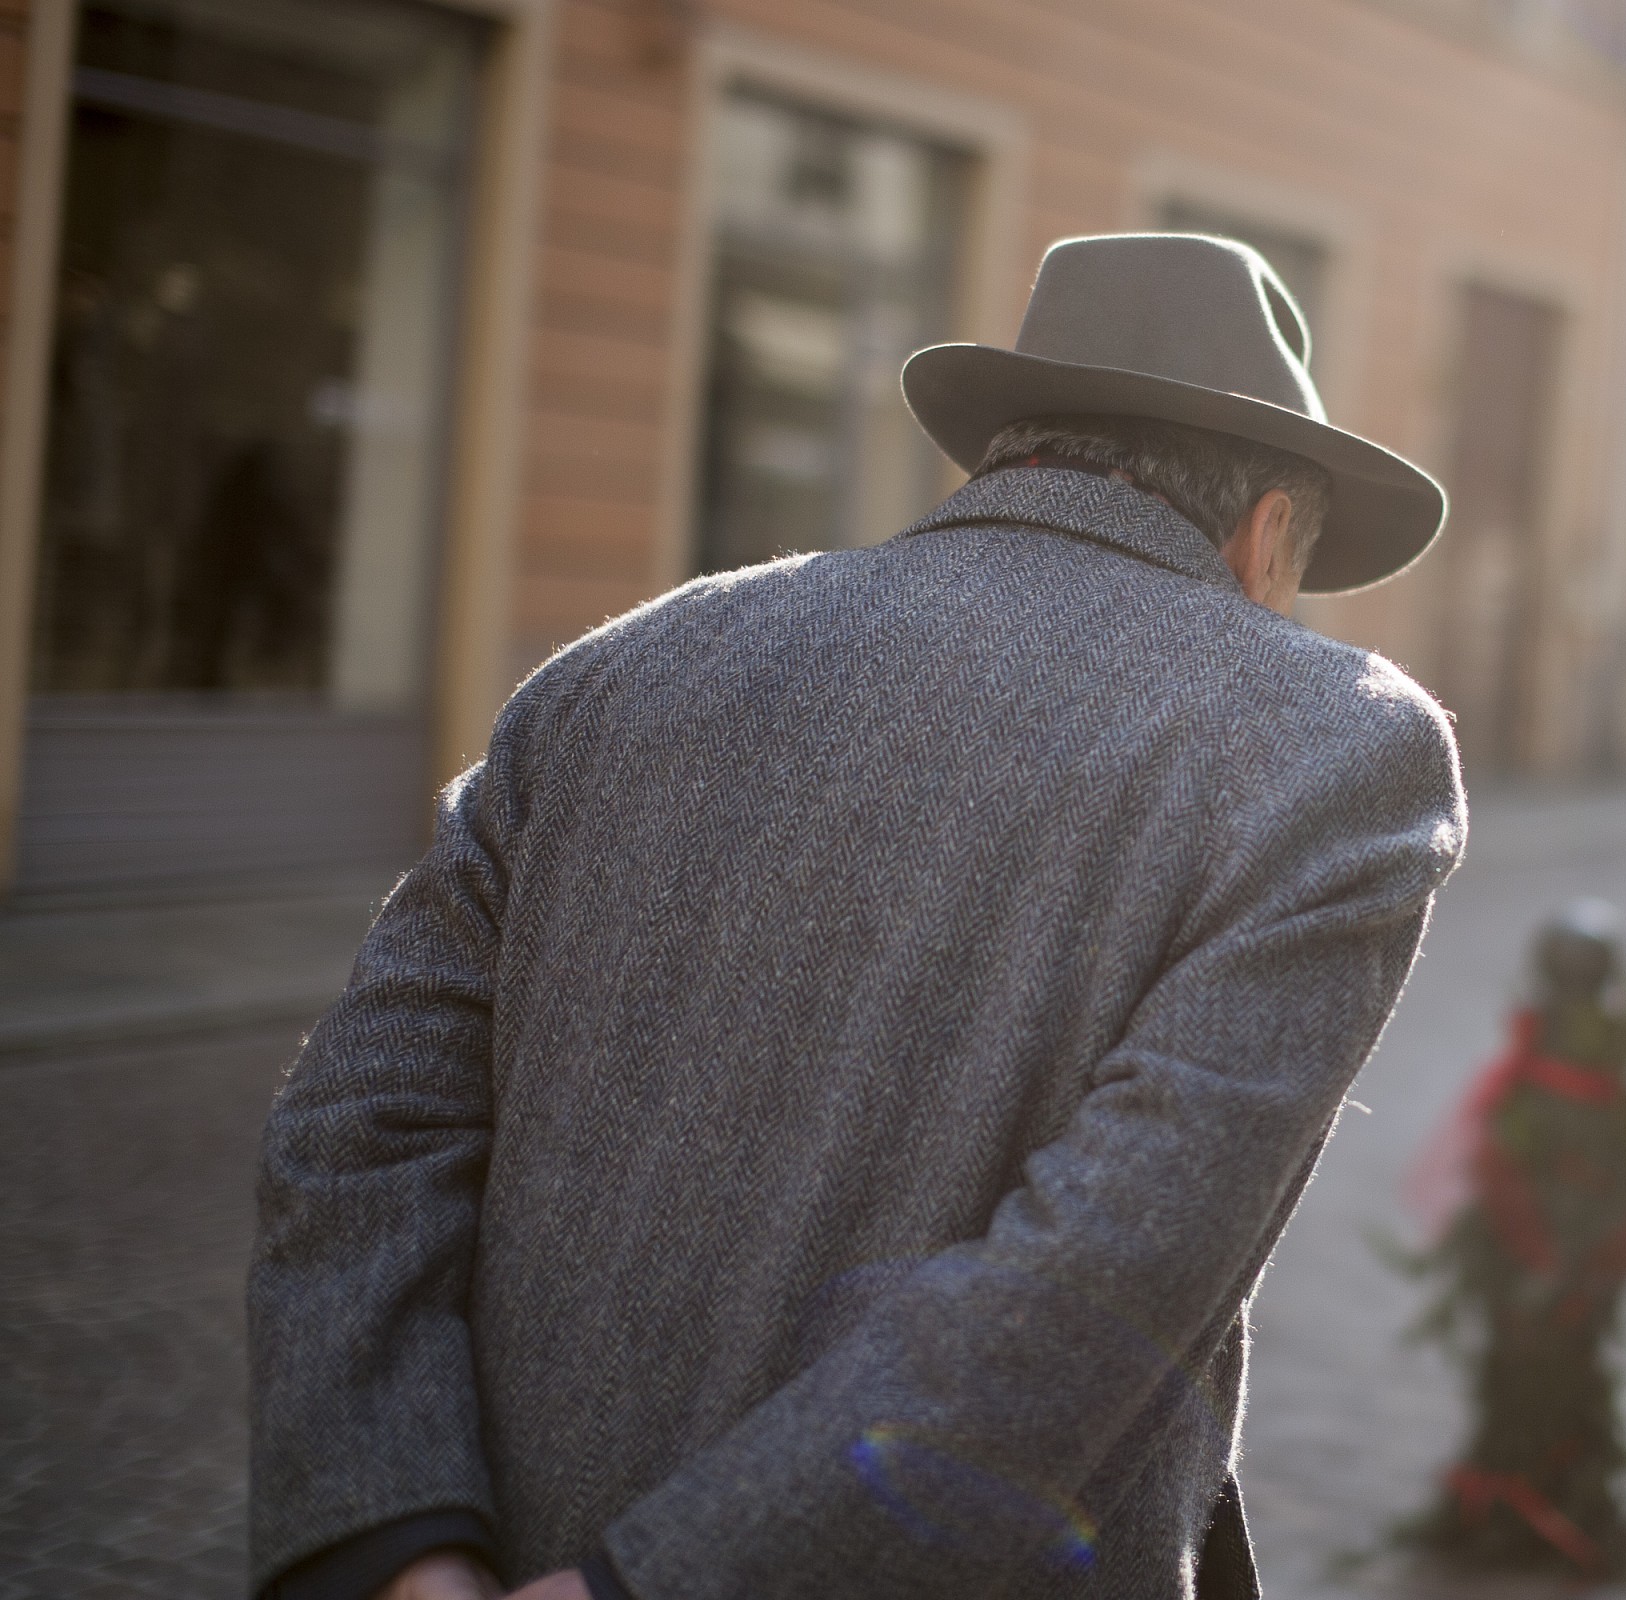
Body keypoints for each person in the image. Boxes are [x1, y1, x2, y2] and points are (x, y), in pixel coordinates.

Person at [245, 233, 1467, 1600]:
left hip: (487, 1545)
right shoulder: (1332, 745)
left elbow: (359, 1126)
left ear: (1010, 451)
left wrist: (407, 1547)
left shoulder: (621, 668)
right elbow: (1096, 1286)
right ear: (1267, 529)